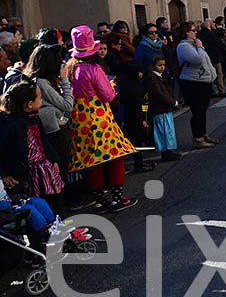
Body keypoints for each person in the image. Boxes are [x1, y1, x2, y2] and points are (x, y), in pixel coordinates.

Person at [68, 26, 138, 212]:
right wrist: (112, 85)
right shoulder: (94, 69)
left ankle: (99, 201)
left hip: (79, 119)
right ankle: (116, 199)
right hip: (99, 117)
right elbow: (107, 95)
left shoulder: (70, 68)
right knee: (116, 156)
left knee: (92, 161)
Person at [0, 80, 66, 212]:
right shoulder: (8, 126)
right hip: (26, 173)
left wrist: (53, 159)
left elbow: (44, 141)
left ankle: (59, 226)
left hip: (44, 168)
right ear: (30, 104)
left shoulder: (34, 118)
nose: (41, 101)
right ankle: (48, 229)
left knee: (55, 199)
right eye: (40, 98)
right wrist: (4, 174)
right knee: (37, 203)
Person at [23, 45, 75, 191]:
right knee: (60, 170)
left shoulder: (36, 79)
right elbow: (67, 105)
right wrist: (64, 79)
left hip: (49, 128)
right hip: (54, 130)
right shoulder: (42, 83)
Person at [174, 22, 217, 149]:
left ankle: (203, 134)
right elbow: (197, 59)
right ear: (186, 33)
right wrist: (200, 47)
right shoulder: (183, 46)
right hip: (193, 83)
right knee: (197, 111)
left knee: (202, 110)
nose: (196, 32)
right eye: (193, 30)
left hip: (203, 81)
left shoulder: (193, 44)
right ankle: (197, 138)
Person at [145, 54, 181, 162]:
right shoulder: (152, 78)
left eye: (163, 65)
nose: (162, 67)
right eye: (159, 65)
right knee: (163, 131)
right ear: (153, 66)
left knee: (168, 131)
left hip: (164, 107)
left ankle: (169, 151)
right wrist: (172, 102)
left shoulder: (160, 76)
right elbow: (158, 93)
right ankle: (166, 152)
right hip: (159, 108)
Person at [198, 19, 226, 97]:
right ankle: (221, 90)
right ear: (209, 25)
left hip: (207, 56)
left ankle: (212, 91)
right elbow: (217, 42)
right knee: (219, 73)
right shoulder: (210, 33)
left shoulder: (200, 34)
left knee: (210, 73)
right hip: (215, 55)